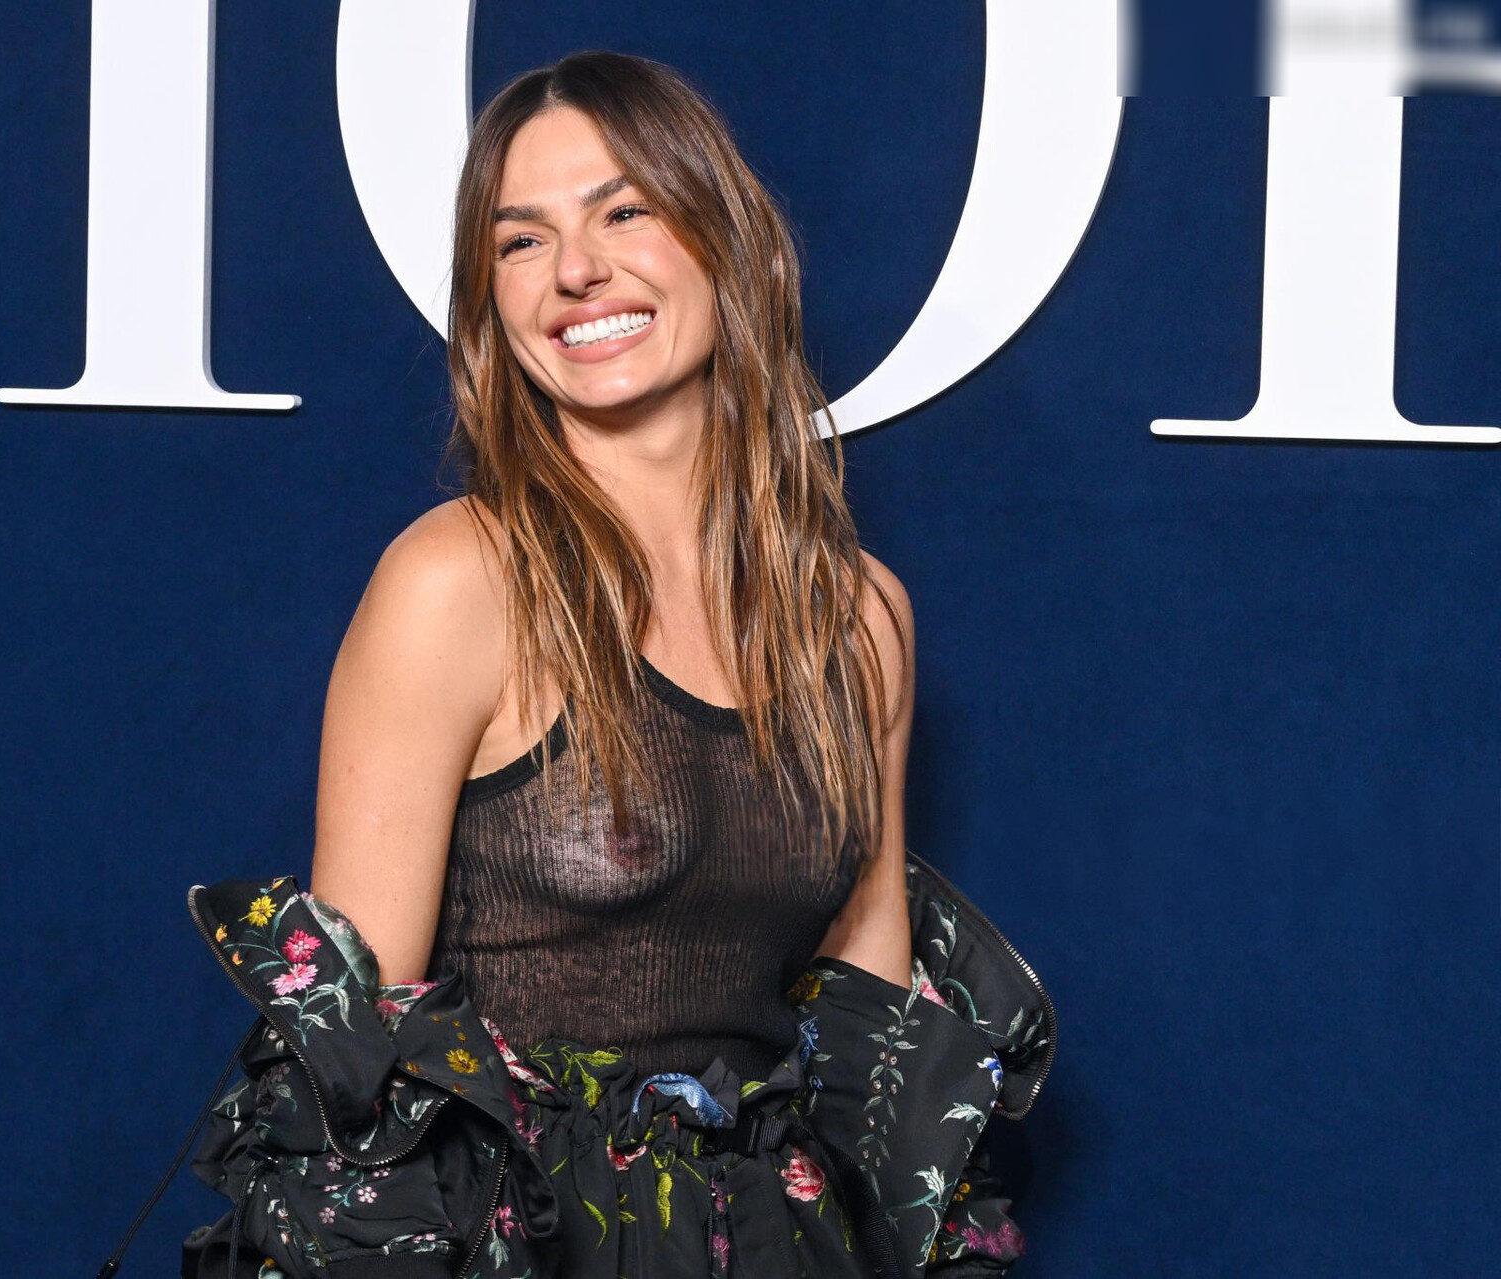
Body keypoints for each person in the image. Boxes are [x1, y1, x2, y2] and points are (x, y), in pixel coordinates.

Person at [185, 51, 1049, 1279]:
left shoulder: (857, 618)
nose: (575, 270)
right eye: (520, 241)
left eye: (623, 211)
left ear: (728, 242)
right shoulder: (458, 581)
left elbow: (873, 1047)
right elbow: (354, 1072)